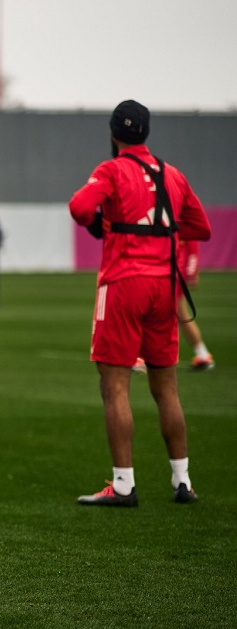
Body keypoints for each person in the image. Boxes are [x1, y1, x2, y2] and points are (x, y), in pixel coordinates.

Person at [69, 100, 211, 507]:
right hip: (164, 285)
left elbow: (80, 208)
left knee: (115, 387)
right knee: (167, 388)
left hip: (123, 283)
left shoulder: (111, 169)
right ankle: (183, 481)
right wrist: (159, 226)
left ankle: (124, 485)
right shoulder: (173, 174)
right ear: (146, 133)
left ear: (114, 134)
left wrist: (107, 222)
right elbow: (201, 227)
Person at [178, 239, 214, 371]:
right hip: (170, 268)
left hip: (174, 270)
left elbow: (192, 243)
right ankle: (203, 355)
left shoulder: (178, 219)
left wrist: (192, 271)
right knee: (179, 314)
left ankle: (203, 355)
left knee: (179, 313)